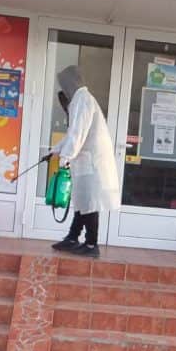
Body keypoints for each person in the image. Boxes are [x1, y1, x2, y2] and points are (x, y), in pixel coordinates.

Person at [49, 65, 119, 258]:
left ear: (70, 82)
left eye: (64, 84)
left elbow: (79, 132)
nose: (63, 88)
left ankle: (91, 244)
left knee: (90, 203)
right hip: (85, 161)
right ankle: (72, 238)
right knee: (82, 201)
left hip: (92, 162)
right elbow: (73, 132)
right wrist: (56, 150)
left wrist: (66, 155)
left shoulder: (83, 99)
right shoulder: (79, 100)